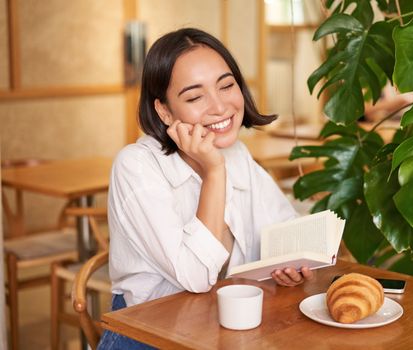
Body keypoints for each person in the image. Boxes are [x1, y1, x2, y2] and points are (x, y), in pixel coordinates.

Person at [98, 28, 313, 349]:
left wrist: (289, 263)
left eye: (226, 86)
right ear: (164, 110)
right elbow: (196, 278)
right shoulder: (136, 165)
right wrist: (214, 171)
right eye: (195, 96)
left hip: (222, 328)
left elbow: (283, 228)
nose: (219, 106)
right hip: (148, 335)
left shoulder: (237, 154)